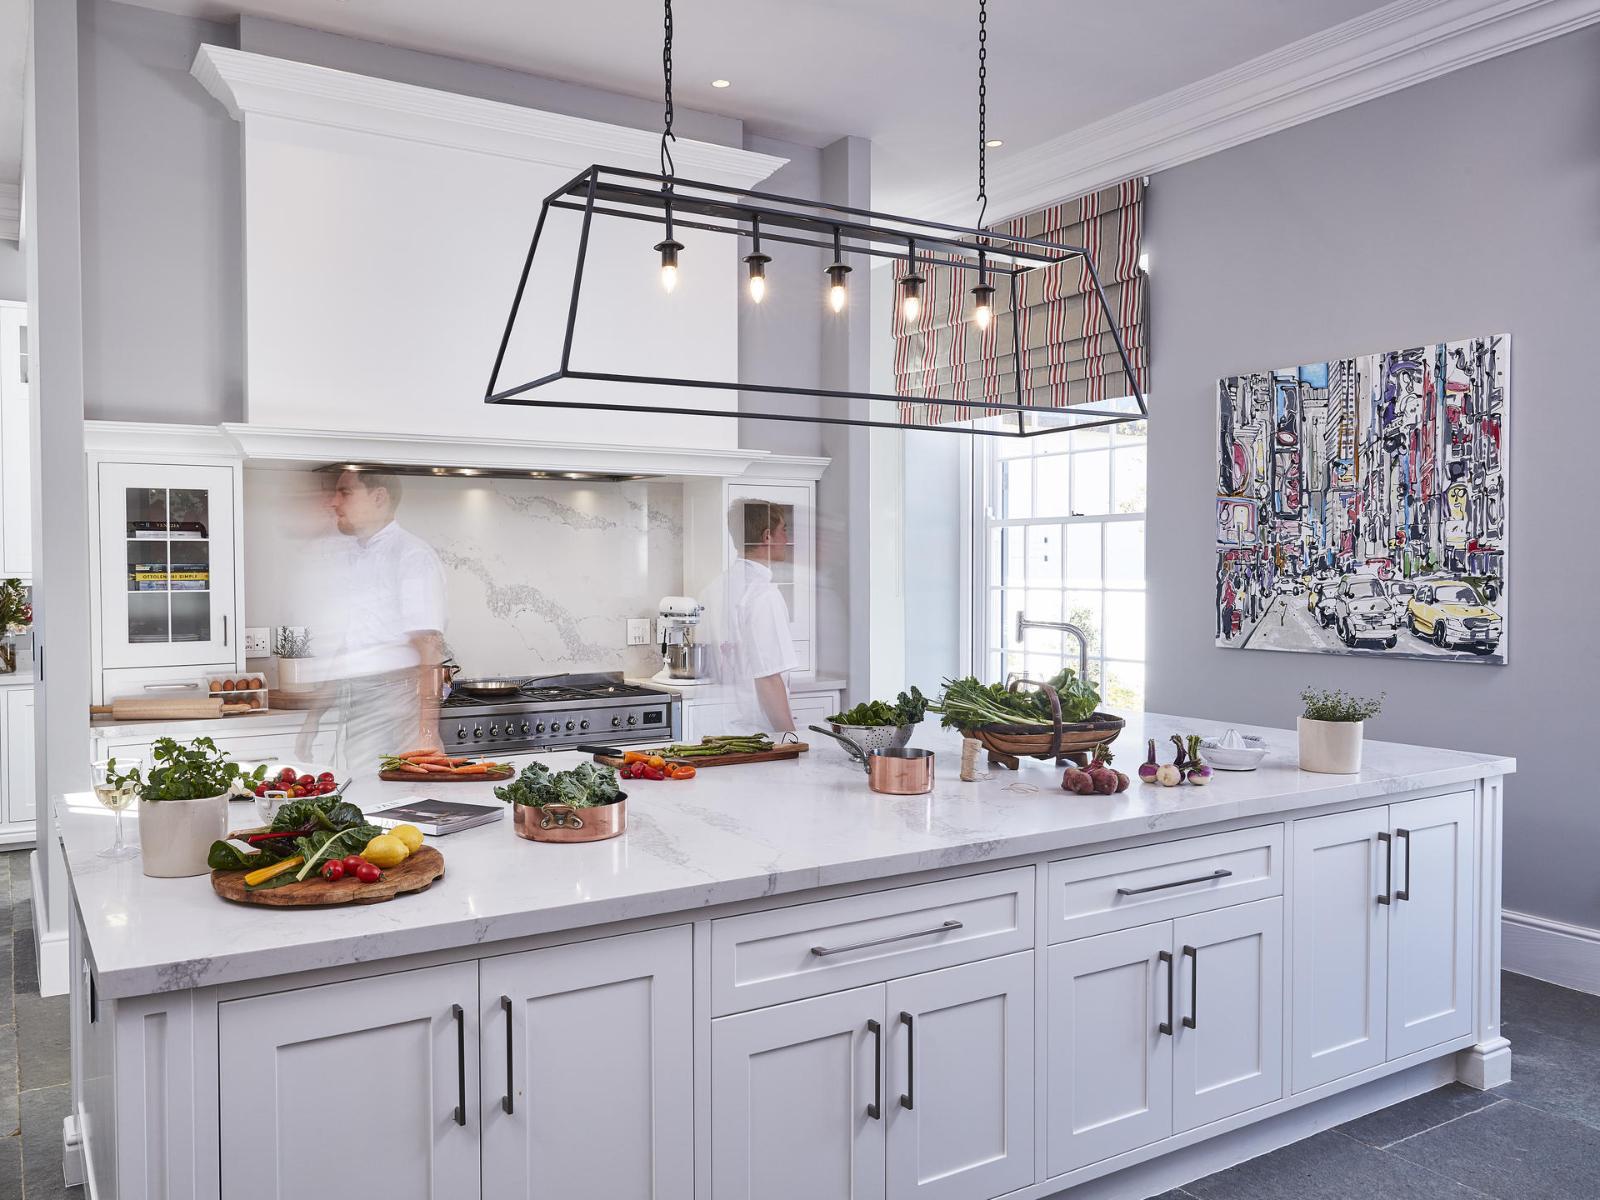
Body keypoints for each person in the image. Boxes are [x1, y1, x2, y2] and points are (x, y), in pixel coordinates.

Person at [323, 470, 449, 766]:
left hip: (402, 705)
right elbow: (350, 641)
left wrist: (426, 733)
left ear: (379, 497)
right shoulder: (355, 555)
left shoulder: (412, 556)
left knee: (408, 789)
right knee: (364, 787)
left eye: (345, 492)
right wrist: (313, 719)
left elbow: (431, 649)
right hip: (361, 700)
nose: (333, 502)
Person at [703, 500, 798, 733]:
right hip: (757, 734)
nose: (786, 539)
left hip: (718, 728)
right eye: (783, 530)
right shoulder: (764, 595)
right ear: (767, 537)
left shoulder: (714, 587)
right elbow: (768, 678)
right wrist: (792, 740)